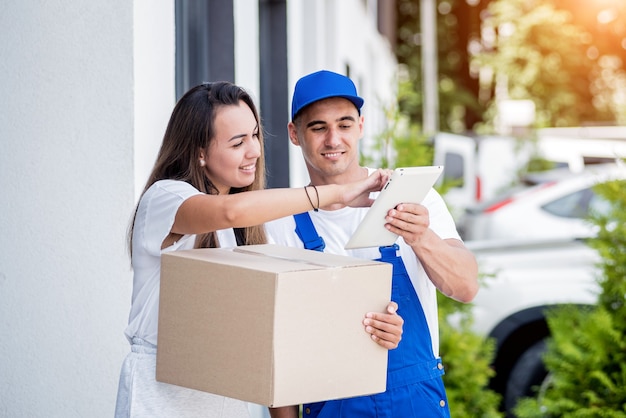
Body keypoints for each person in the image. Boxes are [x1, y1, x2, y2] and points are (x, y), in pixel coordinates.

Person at [114, 81, 395, 418]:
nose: (254, 152)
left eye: (254, 136)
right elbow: (230, 211)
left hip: (225, 395)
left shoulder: (237, 231)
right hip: (160, 396)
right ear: (199, 152)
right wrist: (336, 193)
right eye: (237, 142)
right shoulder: (166, 198)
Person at [265, 70, 479, 418]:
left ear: (361, 126)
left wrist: (420, 236)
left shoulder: (412, 196)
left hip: (414, 402)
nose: (334, 139)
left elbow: (466, 286)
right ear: (294, 134)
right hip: (329, 404)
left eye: (345, 124)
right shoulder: (279, 224)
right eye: (318, 127)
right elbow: (276, 350)